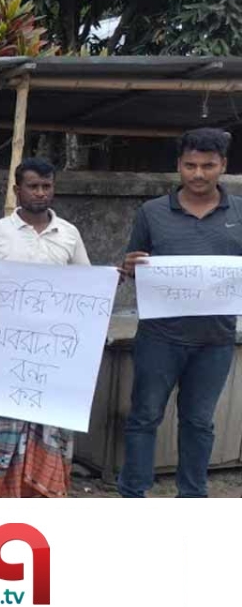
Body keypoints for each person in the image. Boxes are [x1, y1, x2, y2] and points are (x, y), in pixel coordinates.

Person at [0, 158, 91, 498]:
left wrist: (109, 281)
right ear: (18, 190)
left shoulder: (69, 234)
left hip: (51, 358)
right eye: (33, 186)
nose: (41, 193)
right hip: (3, 356)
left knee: (50, 428)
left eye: (47, 186)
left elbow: (88, 285)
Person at [118, 127, 240, 498]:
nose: (198, 174)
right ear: (178, 165)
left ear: (223, 165)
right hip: (159, 338)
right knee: (144, 417)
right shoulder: (152, 212)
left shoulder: (240, 212)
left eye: (208, 165)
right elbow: (131, 264)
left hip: (216, 340)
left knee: (199, 422)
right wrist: (129, 266)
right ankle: (132, 494)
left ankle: (192, 498)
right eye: (190, 165)